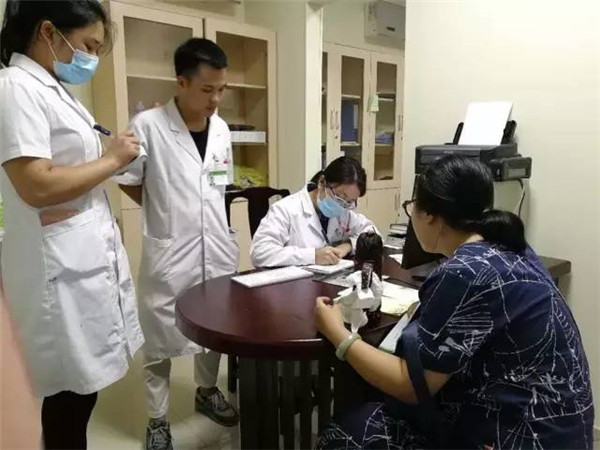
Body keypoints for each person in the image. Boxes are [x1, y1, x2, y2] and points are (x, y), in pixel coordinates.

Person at [315, 156, 594, 449]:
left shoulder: (464, 272)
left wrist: (338, 333)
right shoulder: (513, 246)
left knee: (351, 431)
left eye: (412, 207)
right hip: (564, 428)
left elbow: (409, 386)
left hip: (520, 436)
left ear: (430, 215)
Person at [0, 1, 144, 449]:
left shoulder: (54, 91)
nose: (91, 59)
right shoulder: (15, 87)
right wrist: (111, 160)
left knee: (80, 394)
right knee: (68, 398)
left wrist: (112, 158)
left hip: (79, 259)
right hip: (58, 270)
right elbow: (36, 185)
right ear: (48, 32)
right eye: (88, 46)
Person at [115, 38, 239, 450]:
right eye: (207, 89)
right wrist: (164, 208)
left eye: (222, 89)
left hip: (216, 246)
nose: (216, 100)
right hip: (170, 250)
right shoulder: (148, 126)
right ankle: (157, 419)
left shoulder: (221, 129)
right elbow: (130, 181)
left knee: (214, 326)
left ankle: (207, 391)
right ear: (181, 82)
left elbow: (219, 185)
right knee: (159, 338)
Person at [250, 156, 377, 268]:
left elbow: (373, 234)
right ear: (322, 183)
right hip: (295, 285)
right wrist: (313, 256)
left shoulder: (344, 212)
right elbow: (260, 252)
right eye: (340, 197)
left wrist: (348, 245)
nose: (342, 205)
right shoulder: (285, 210)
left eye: (349, 202)